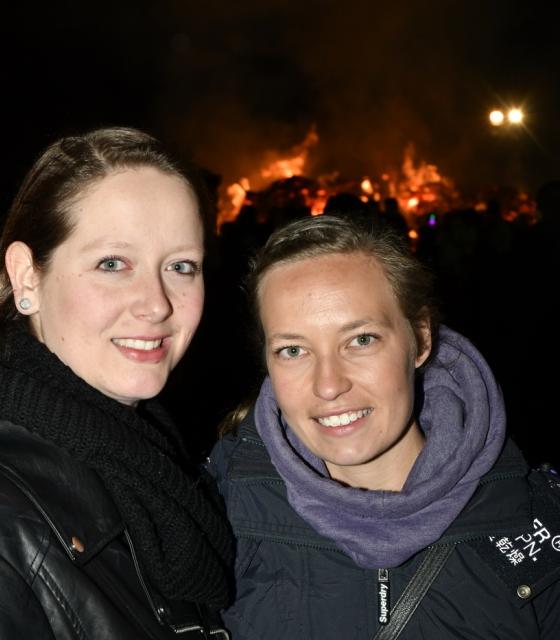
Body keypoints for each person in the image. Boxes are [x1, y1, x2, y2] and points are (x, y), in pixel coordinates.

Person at [0, 127, 233, 639]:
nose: (157, 304)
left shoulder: (152, 463)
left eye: (181, 266)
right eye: (113, 264)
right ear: (27, 277)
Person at [207, 214, 560, 639]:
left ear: (420, 339)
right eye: (293, 350)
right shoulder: (214, 511)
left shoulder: (535, 525)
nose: (329, 385)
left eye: (361, 340)